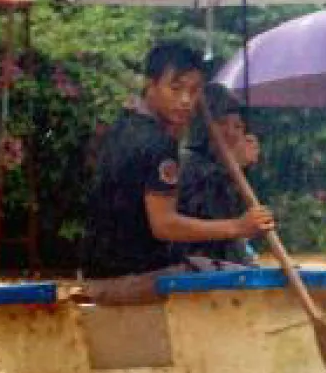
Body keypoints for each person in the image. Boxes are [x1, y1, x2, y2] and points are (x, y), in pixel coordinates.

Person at [81, 41, 274, 305]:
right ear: (151, 84)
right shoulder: (160, 144)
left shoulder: (122, 126)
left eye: (193, 92)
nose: (185, 100)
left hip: (100, 275)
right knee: (241, 286)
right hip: (137, 278)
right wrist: (237, 226)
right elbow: (165, 225)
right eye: (175, 88)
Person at [177, 83, 262, 268]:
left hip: (230, 265)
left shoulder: (226, 168)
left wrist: (241, 170)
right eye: (222, 123)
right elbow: (213, 219)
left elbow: (244, 219)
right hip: (194, 266)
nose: (231, 133)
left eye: (238, 126)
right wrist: (233, 168)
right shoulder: (187, 163)